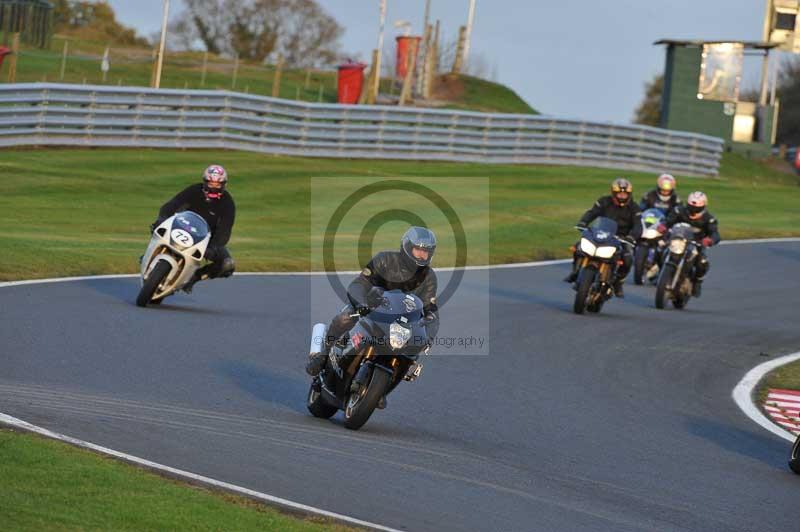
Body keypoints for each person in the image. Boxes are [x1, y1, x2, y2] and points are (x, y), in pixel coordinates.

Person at [306, 226, 439, 390]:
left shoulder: (429, 277)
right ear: (407, 246)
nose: (422, 255)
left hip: (401, 322)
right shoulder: (385, 259)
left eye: (426, 251)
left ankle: (382, 390)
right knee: (346, 317)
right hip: (371, 307)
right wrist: (361, 304)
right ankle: (323, 356)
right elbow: (359, 284)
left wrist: (428, 338)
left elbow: (430, 310)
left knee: (413, 351)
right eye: (418, 249)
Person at [150, 164, 236, 293]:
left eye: (217, 185)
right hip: (182, 226)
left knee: (227, 264)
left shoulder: (228, 203)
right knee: (158, 229)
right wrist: (162, 219)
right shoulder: (194, 190)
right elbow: (172, 205)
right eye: (210, 183)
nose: (213, 187)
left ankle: (193, 278)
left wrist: (213, 247)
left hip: (206, 238)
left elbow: (225, 229)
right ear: (205, 182)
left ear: (223, 185)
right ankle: (152, 253)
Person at [564, 177, 641, 297]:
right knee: (578, 246)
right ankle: (575, 271)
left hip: (621, 238)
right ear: (613, 193)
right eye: (619, 193)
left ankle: (618, 282)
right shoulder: (604, 201)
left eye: (624, 194)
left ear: (629, 194)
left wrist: (631, 237)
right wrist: (583, 222)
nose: (622, 196)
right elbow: (592, 212)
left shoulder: (634, 208)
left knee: (628, 258)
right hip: (600, 232)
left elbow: (638, 225)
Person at [664, 191, 720, 297]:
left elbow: (715, 234)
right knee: (661, 248)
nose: (693, 210)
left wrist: (710, 240)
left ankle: (697, 282)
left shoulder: (709, 218)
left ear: (703, 206)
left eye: (697, 208)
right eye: (691, 207)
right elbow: (668, 221)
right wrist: (663, 226)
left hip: (696, 244)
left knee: (702, 262)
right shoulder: (679, 211)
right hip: (678, 240)